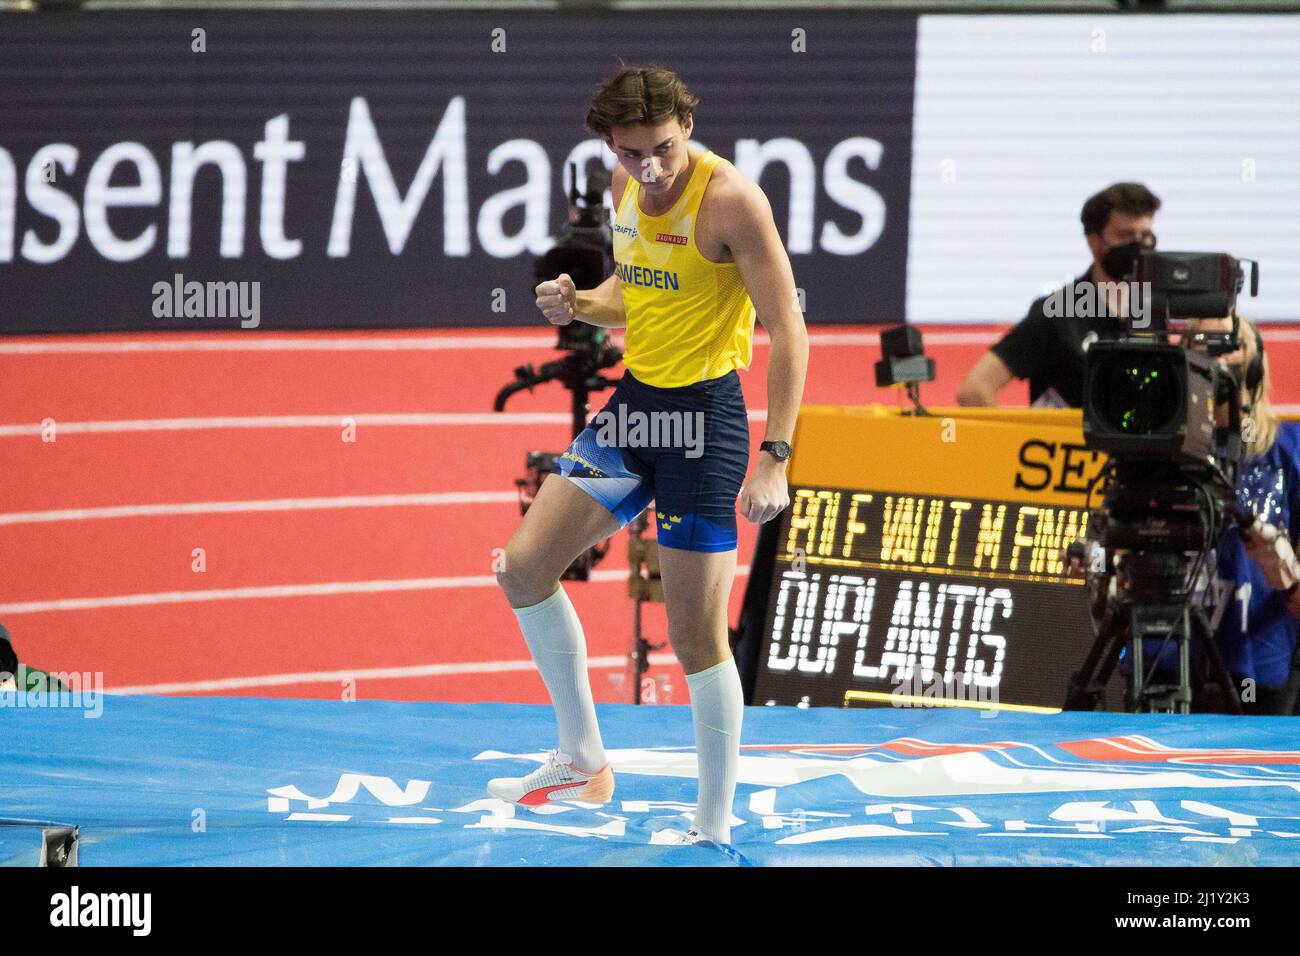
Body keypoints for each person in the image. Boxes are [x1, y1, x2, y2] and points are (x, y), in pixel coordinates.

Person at [487, 65, 809, 845]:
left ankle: (712, 825)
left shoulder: (732, 200)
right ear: (611, 147)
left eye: (662, 149)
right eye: (632, 154)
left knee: (696, 637)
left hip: (706, 421)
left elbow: (790, 330)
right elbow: (635, 295)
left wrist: (776, 456)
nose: (650, 169)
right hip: (638, 410)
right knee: (523, 567)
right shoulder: (623, 184)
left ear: (687, 127)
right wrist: (580, 303)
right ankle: (582, 759)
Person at [957, 182, 1160, 408]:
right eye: (1125, 236)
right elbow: (974, 390)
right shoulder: (1058, 312)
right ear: (1095, 242)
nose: (1138, 246)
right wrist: (1011, 443)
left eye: (1145, 235)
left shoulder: (1156, 309)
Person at [1188, 315, 1300, 714]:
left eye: (1231, 344)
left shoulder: (1290, 446)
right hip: (1171, 653)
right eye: (1206, 343)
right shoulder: (1167, 450)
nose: (1220, 355)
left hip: (1262, 654)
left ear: (1256, 362)